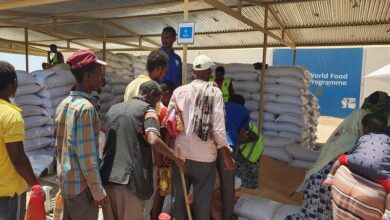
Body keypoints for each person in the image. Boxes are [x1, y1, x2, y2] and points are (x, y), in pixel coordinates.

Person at [287, 91, 390, 220]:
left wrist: (330, 176)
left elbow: (339, 161)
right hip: (334, 190)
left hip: (320, 182)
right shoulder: (355, 142)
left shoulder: (350, 141)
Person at [100, 81, 185, 220]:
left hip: (107, 179)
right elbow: (153, 139)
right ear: (151, 95)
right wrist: (175, 157)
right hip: (129, 184)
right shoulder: (148, 110)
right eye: (156, 102)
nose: (156, 107)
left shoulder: (113, 110)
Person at [169, 54, 235, 220]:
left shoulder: (179, 91)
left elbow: (169, 121)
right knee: (202, 204)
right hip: (205, 158)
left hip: (180, 154)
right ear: (209, 71)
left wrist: (168, 152)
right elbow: (219, 128)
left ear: (193, 71)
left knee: (180, 201)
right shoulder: (214, 93)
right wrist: (226, 157)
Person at [55, 50, 107, 220]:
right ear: (88, 76)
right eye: (99, 74)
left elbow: (59, 148)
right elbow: (87, 156)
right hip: (81, 189)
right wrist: (98, 191)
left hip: (67, 184)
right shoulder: (86, 108)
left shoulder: (64, 104)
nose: (101, 78)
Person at [323, 113, 390, 220]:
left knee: (341, 159)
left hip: (355, 163)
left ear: (365, 128)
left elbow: (353, 152)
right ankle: (387, 212)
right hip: (379, 174)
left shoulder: (362, 137)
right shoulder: (387, 139)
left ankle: (329, 177)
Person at [0, 61, 43, 220]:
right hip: (9, 193)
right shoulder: (11, 116)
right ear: (13, 84)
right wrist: (35, 184)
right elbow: (18, 158)